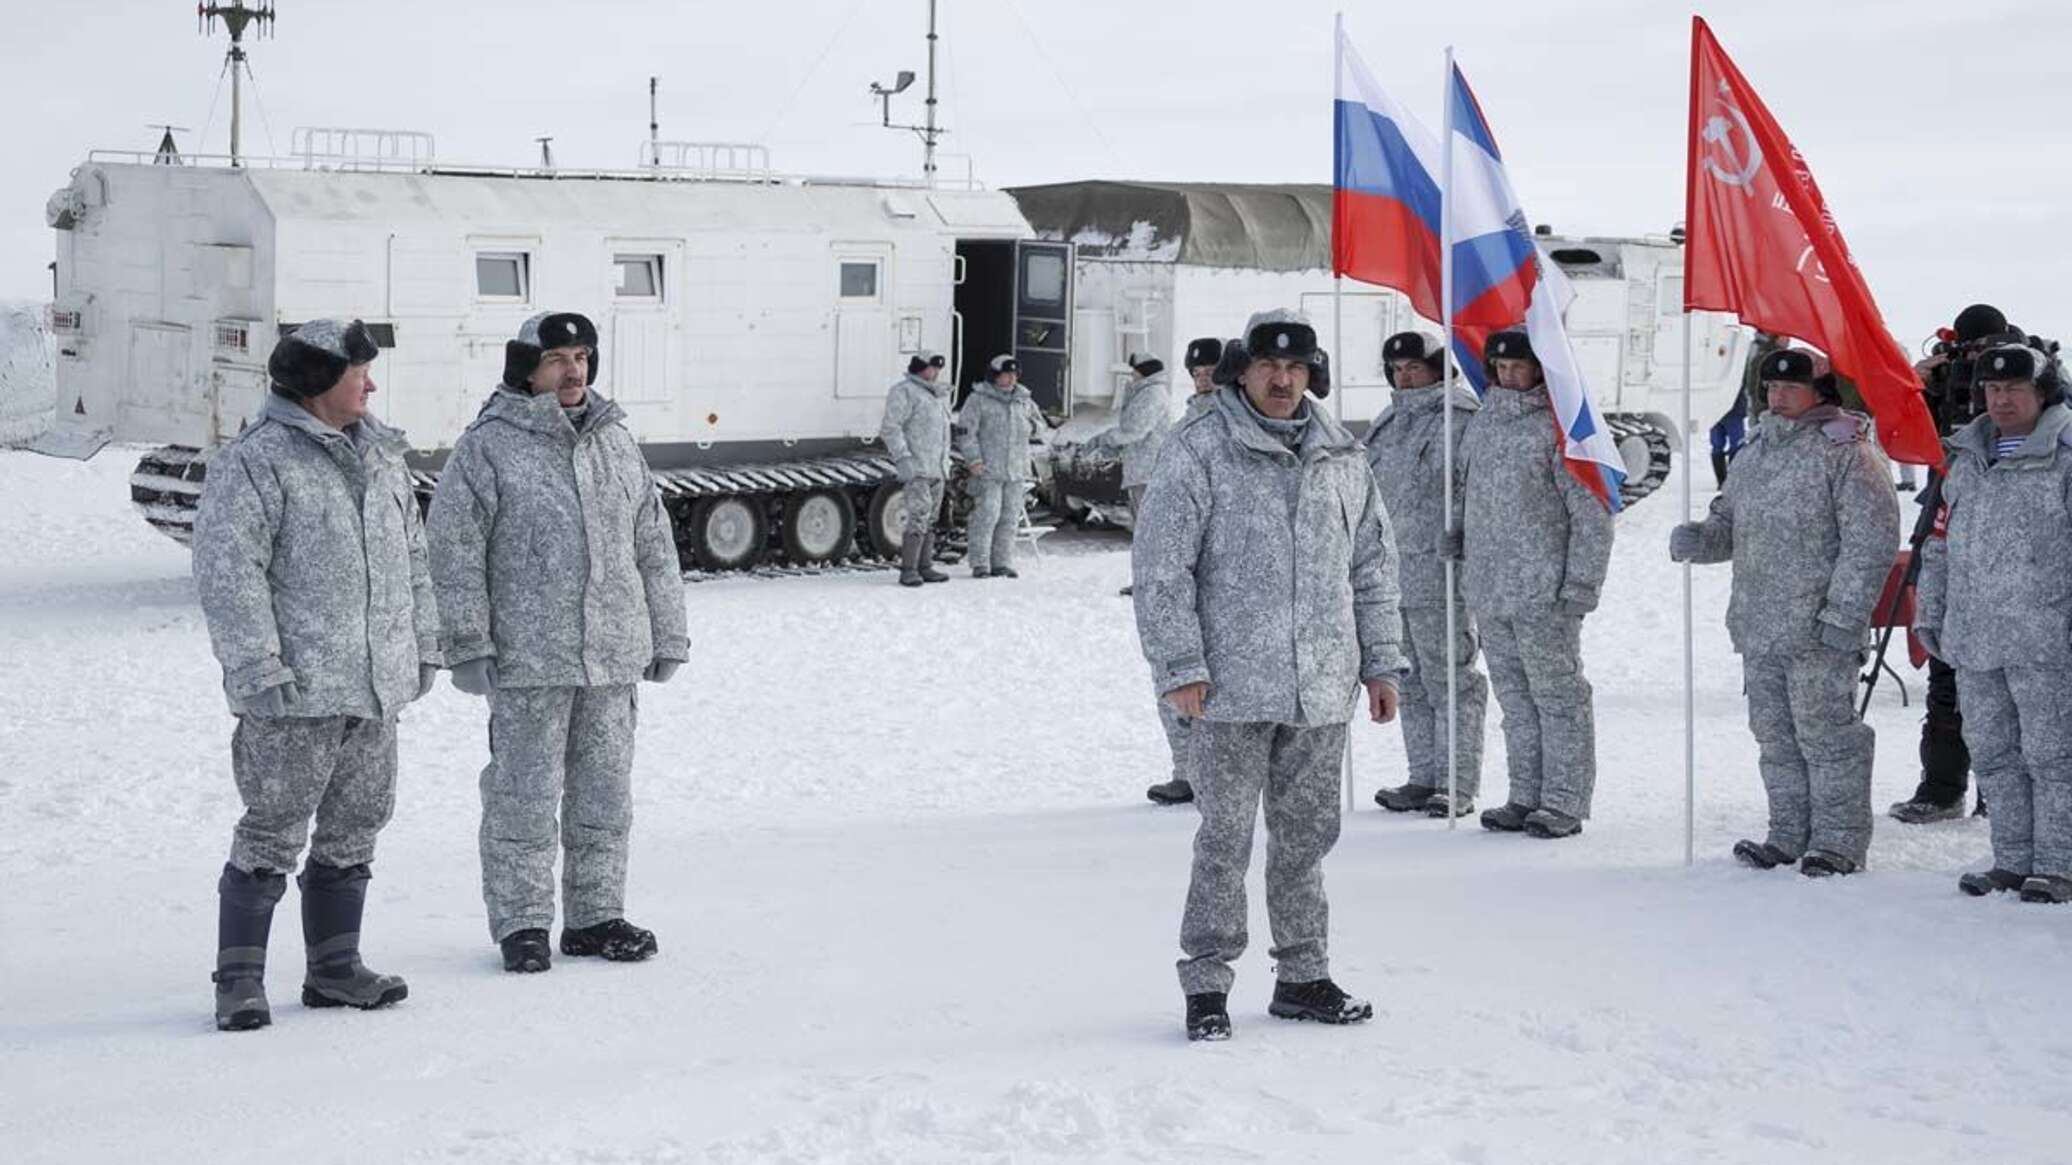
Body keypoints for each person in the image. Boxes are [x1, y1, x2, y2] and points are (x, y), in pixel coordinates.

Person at [1133, 307, 1406, 1041]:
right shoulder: (1200, 450)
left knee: (1307, 837)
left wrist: (1381, 660)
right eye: (1266, 366)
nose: (1281, 378)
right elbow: (1162, 569)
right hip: (1226, 688)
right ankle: (1208, 982)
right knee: (1224, 836)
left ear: (1310, 372)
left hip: (1321, 686)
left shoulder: (1343, 455)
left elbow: (1373, 564)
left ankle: (1304, 974)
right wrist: (1181, 665)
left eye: (1295, 367)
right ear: (1242, 373)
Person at [192, 319, 440, 1031]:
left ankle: (335, 967)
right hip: (293, 691)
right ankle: (238, 980)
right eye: (358, 369)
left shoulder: (383, 456)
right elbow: (228, 570)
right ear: (316, 380)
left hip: (375, 686)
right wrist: (255, 664)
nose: (370, 381)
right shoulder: (258, 460)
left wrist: (422, 645)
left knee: (356, 827)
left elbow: (412, 558)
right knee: (272, 829)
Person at [428, 311, 688, 973]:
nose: (573, 371)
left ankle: (596, 916)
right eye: (557, 359)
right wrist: (466, 643)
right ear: (526, 368)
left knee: (605, 795)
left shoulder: (614, 439)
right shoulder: (489, 446)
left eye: (581, 356)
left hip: (611, 655)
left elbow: (652, 542)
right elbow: (454, 551)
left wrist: (666, 630)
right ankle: (523, 923)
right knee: (522, 796)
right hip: (527, 659)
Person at [1670, 348, 1900, 876]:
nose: (1778, 396)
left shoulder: (1846, 451)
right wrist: (1700, 539)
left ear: (1820, 392)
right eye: (1771, 388)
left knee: (1827, 737)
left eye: (1790, 388)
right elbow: (1728, 522)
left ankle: (1838, 842)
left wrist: (1845, 615)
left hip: (1819, 627)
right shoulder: (1756, 450)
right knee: (1775, 736)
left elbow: (1871, 540)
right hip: (1759, 623)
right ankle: (1788, 833)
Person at [1914, 341, 2072, 903]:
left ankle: (2058, 865)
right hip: (1976, 639)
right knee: (1996, 755)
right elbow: (1939, 544)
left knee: (2054, 756)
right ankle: (2012, 859)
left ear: (2043, 392)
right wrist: (1930, 612)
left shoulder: (2065, 455)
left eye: (2015, 389)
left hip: (2046, 641)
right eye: (1993, 389)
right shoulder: (1967, 456)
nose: (2001, 400)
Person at [1451, 330, 1614, 839]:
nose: (1507, 375)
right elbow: (1466, 488)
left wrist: (1582, 585)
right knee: (1516, 700)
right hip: (1491, 585)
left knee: (1558, 697)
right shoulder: (1483, 425)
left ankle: (1563, 801)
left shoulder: (1558, 429)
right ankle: (1526, 794)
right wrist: (1460, 536)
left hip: (1545, 591)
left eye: (1517, 366)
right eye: (1499, 366)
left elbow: (1591, 513)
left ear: (1540, 369)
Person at [1891, 304, 2025, 824]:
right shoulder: (1945, 375)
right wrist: (1916, 387)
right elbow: (1904, 435)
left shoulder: (2031, 375)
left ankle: (2004, 792)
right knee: (1945, 669)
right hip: (1949, 521)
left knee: (2010, 685)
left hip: (2011, 549)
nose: (1993, 392)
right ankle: (1942, 787)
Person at [1366, 331, 1489, 818]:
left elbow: (1475, 492)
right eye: (1397, 370)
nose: (1404, 376)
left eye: (1414, 367)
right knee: (1409, 681)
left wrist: (1462, 547)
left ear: (1440, 368)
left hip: (1441, 574)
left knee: (1452, 682)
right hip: (1391, 576)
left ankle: (1456, 783)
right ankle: (1424, 776)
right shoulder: (1388, 422)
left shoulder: (1459, 421)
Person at [1142, 338, 1238, 804]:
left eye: (1212, 370)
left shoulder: (1236, 425)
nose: (1204, 377)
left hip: (1224, 574)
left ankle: (1215, 775)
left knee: (1217, 683)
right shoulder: (1184, 426)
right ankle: (1186, 769)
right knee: (1173, 671)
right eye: (1197, 371)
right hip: (1181, 570)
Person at [954, 354, 1043, 578]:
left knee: (1010, 517)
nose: (1011, 379)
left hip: (1015, 469)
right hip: (988, 469)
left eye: (1014, 374)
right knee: (987, 515)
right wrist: (973, 459)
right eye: (1006, 374)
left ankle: (1002, 562)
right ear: (994, 376)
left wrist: (1031, 427)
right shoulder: (978, 399)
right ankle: (980, 563)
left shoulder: (1023, 399)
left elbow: (1040, 425)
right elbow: (966, 433)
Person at [879, 351, 954, 587]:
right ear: (920, 368)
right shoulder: (904, 392)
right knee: (918, 517)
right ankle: (908, 568)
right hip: (918, 466)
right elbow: (891, 427)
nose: (936, 373)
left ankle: (925, 565)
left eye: (937, 369)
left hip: (937, 468)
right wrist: (903, 458)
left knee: (931, 518)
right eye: (932, 368)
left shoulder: (936, 396)